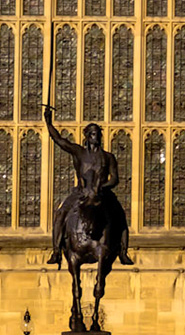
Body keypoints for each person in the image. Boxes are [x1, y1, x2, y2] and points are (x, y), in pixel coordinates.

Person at [43, 103, 135, 267]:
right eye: (93, 134)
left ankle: (123, 251)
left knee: (120, 217)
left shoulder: (108, 157)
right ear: (87, 136)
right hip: (81, 193)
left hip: (103, 193)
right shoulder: (79, 152)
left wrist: (103, 187)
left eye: (98, 134)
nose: (96, 137)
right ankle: (56, 251)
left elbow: (115, 178)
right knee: (61, 214)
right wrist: (49, 123)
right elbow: (59, 141)